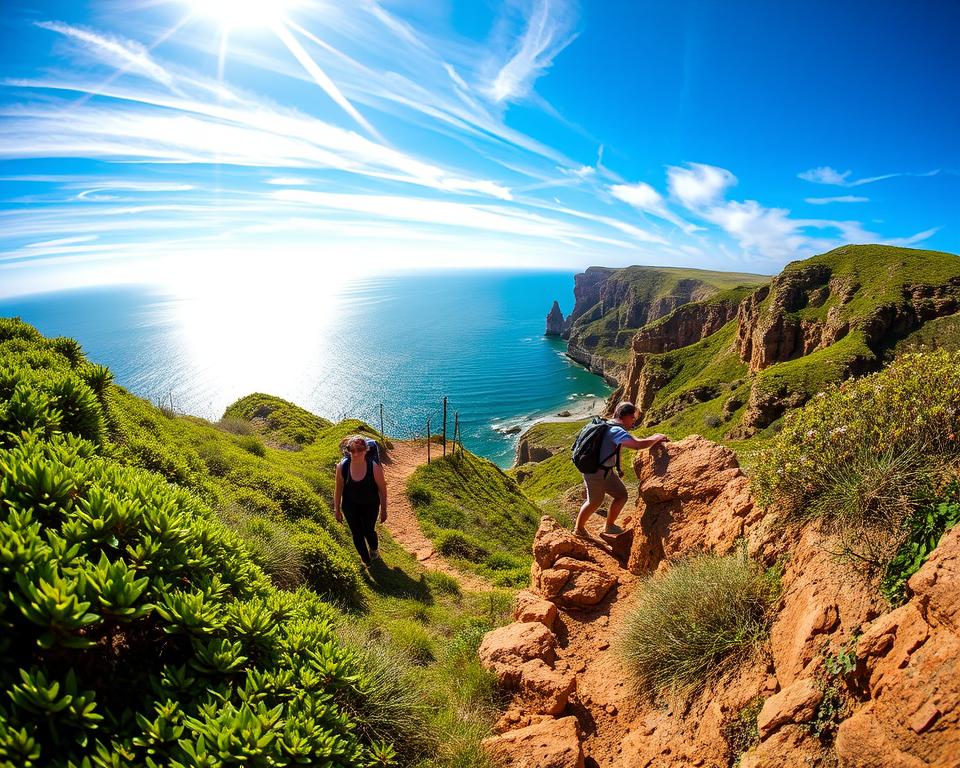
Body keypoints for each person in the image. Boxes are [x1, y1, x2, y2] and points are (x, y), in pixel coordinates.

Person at [574, 402, 667, 537]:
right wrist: (656, 438)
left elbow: (630, 440)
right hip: (595, 472)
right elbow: (636, 445)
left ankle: (609, 526)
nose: (633, 422)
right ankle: (579, 529)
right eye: (633, 419)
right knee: (594, 501)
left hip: (606, 471)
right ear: (627, 416)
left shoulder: (609, 424)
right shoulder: (616, 430)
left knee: (621, 495)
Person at [334, 435, 388, 566]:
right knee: (356, 533)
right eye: (352, 450)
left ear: (366, 450)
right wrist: (337, 509)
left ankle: (374, 549)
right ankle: (366, 560)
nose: (356, 453)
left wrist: (384, 510)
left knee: (368, 531)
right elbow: (338, 489)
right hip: (350, 505)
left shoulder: (374, 467)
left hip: (370, 504)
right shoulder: (342, 467)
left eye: (359, 449)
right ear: (348, 451)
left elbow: (382, 489)